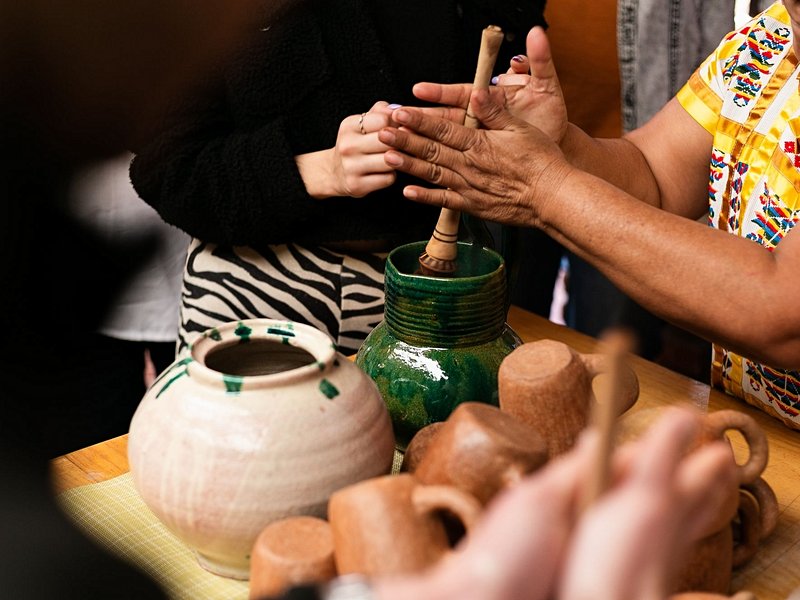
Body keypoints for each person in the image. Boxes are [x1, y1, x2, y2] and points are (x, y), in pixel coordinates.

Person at [378, 0, 800, 430]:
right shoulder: (772, 33)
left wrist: (547, 187)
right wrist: (559, 147)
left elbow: (785, 313)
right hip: (755, 426)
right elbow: (655, 176)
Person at [129, 0, 548, 355]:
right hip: (251, 284)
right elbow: (168, 167)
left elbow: (513, 96)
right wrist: (319, 169)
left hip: (431, 289)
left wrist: (511, 112)